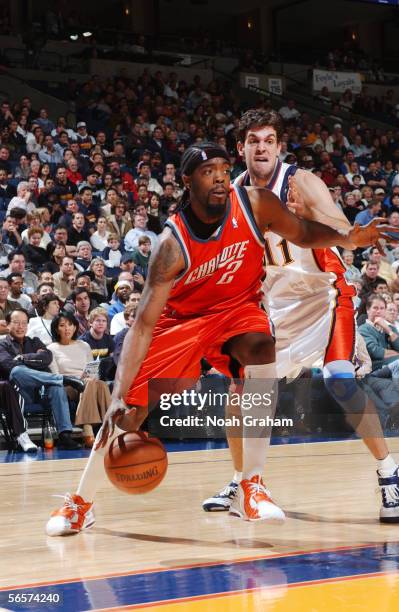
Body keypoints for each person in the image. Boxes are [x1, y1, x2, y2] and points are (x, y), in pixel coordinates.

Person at [45, 142, 392, 536]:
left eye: (225, 170)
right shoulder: (171, 246)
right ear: (188, 180)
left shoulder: (256, 204)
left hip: (237, 311)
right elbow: (142, 325)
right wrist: (121, 390)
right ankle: (80, 503)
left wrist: (348, 238)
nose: (221, 178)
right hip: (181, 324)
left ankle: (252, 486)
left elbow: (304, 231)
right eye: (209, 172)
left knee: (263, 350)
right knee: (127, 415)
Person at [203, 110, 399, 523]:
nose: (262, 147)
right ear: (241, 148)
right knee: (240, 393)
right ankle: (244, 481)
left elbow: (340, 227)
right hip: (275, 306)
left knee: (340, 380)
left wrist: (310, 220)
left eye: (269, 140)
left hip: (323, 295)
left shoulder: (300, 182)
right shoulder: (234, 194)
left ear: (278, 146)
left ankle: (389, 471)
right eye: (254, 140)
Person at [0, 308, 81, 450]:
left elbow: (47, 357)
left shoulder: (35, 341)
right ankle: (62, 379)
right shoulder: (2, 345)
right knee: (17, 371)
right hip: (18, 394)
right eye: (16, 323)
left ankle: (65, 435)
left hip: (41, 391)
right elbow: (9, 365)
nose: (20, 327)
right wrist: (34, 361)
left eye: (24, 323)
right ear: (7, 324)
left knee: (56, 387)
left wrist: (23, 358)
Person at [48, 311, 112, 448]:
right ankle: (92, 431)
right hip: (67, 385)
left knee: (100, 384)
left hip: (86, 383)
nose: (67, 328)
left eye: (70, 325)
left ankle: (98, 428)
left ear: (75, 327)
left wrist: (90, 377)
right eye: (62, 325)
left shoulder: (84, 345)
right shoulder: (51, 348)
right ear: (56, 328)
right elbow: (55, 375)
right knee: (91, 385)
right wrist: (76, 380)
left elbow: (92, 368)